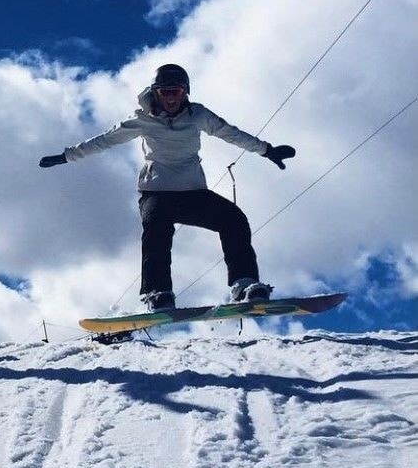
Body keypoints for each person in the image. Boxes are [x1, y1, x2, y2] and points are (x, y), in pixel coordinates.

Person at [37, 62, 295, 310]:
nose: (171, 98)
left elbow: (231, 133)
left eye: (177, 92)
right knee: (156, 230)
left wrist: (266, 150)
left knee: (234, 219)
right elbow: (105, 140)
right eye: (165, 92)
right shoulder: (141, 120)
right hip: (157, 193)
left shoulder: (199, 116)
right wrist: (67, 156)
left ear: (186, 92)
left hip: (194, 193)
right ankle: (157, 293)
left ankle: (244, 285)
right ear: (155, 93)